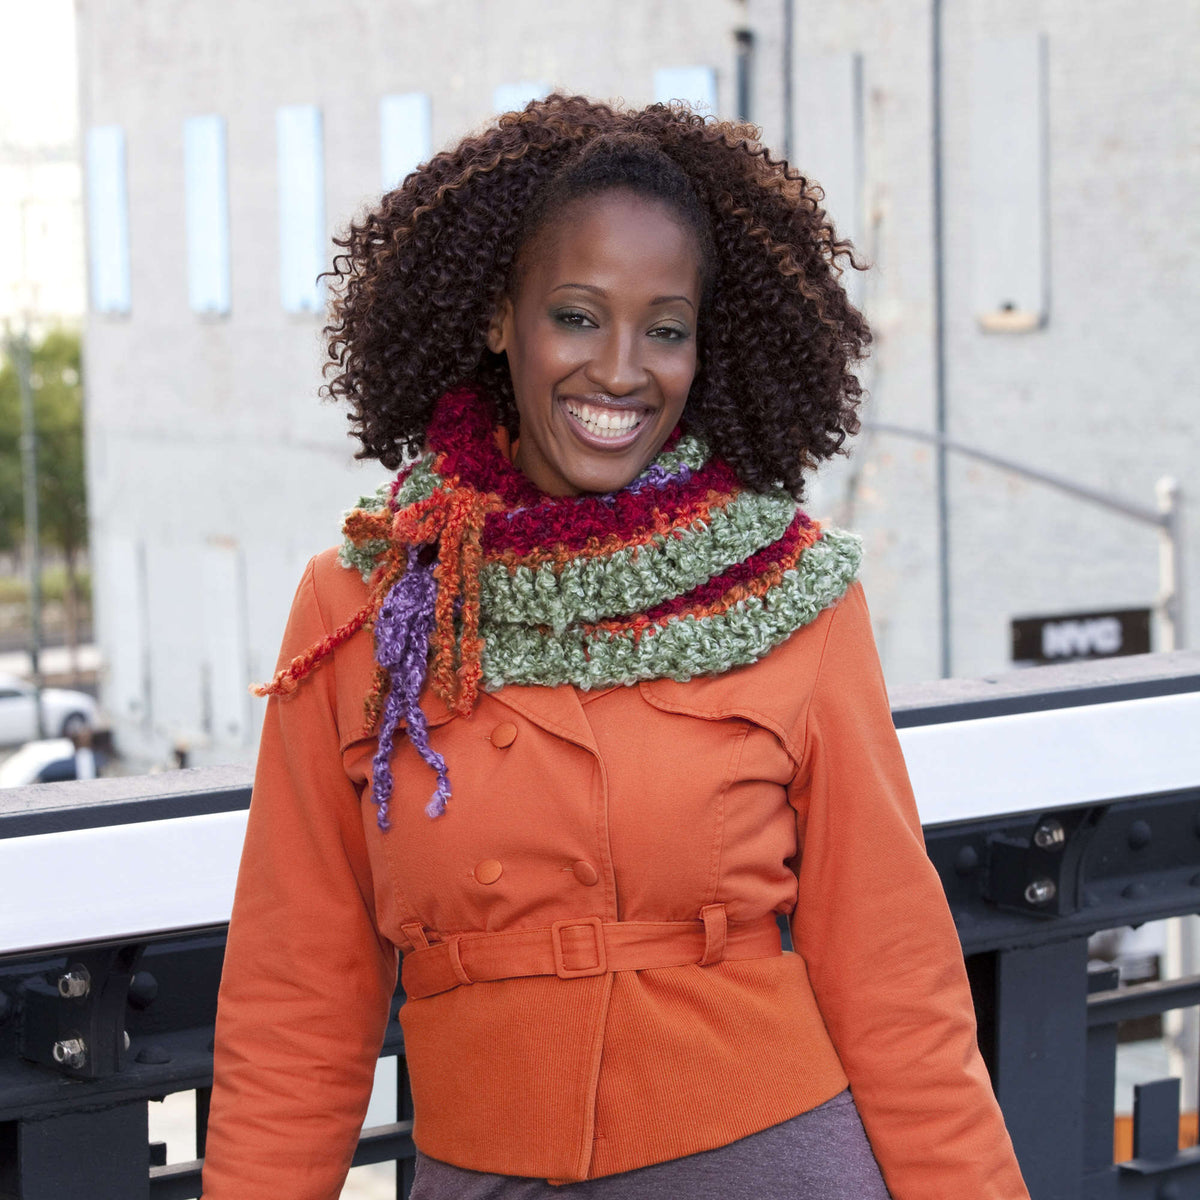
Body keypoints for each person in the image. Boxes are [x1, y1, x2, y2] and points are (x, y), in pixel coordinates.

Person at [201, 95, 1030, 1199]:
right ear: (503, 318)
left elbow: (894, 973)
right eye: (578, 316)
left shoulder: (790, 589)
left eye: (667, 327)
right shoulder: (367, 604)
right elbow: (295, 995)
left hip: (771, 1159)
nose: (621, 370)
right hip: (482, 1167)